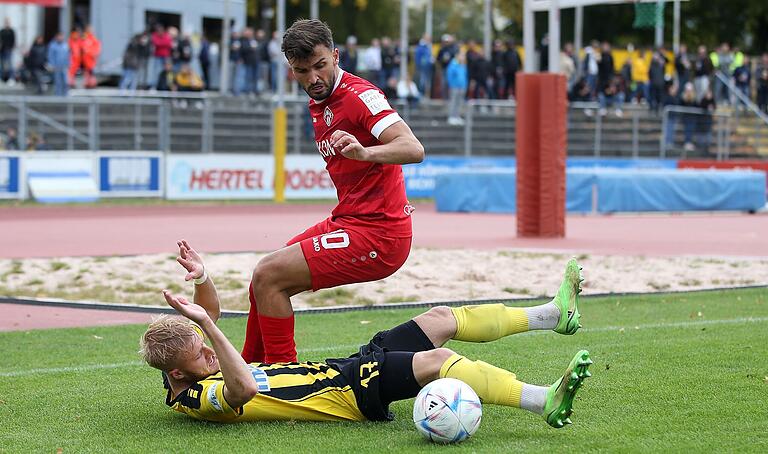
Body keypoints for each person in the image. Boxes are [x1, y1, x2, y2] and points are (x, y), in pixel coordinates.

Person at [140, 240, 591, 427]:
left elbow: (210, 316)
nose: (212, 353)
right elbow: (239, 390)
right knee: (435, 363)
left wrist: (202, 279)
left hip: (344, 369)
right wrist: (205, 328)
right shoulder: (197, 399)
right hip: (347, 395)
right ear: (179, 375)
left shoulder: (179, 367)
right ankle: (542, 400)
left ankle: (552, 316)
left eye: (206, 347)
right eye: (203, 355)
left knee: (438, 319)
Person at [236, 19, 424, 366]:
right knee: (261, 281)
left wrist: (367, 153)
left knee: (269, 275)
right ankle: (247, 369)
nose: (313, 79)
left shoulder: (360, 96)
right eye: (301, 71)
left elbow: (413, 148)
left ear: (336, 56)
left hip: (379, 234)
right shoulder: (320, 100)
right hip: (348, 222)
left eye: (320, 66)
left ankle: (283, 379)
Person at [446, 51, 468, 125]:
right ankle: (451, 117)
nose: (463, 58)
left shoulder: (463, 65)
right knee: (453, 102)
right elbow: (449, 76)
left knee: (459, 102)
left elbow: (465, 76)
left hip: (462, 86)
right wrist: (452, 85)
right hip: (454, 86)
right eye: (462, 56)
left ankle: (457, 116)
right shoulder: (453, 64)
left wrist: (465, 85)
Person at [47, 32, 69, 96]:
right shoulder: (53, 45)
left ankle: (65, 95)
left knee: (65, 82)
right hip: (56, 67)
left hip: (64, 66)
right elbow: (50, 56)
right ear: (56, 37)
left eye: (61, 36)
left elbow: (68, 55)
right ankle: (58, 96)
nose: (60, 38)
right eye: (59, 36)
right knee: (58, 82)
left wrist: (69, 64)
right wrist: (52, 65)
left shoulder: (65, 45)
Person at [0, 18, 15, 83]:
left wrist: (10, 48)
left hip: (8, 50)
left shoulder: (11, 31)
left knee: (10, 64)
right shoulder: (2, 31)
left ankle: (11, 78)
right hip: (1, 50)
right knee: (1, 65)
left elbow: (13, 41)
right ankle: (1, 78)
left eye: (8, 22)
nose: (7, 23)